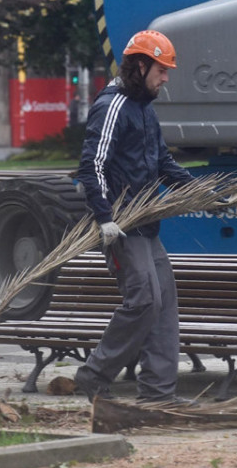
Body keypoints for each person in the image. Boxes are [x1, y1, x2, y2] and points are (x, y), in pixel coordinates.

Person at [73, 30, 198, 407]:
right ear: (141, 66)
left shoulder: (144, 108)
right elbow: (91, 164)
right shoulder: (112, 105)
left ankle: (159, 395)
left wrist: (197, 190)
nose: (166, 78)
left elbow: (162, 162)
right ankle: (93, 376)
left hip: (145, 223)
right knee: (144, 299)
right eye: (162, 70)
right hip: (120, 226)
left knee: (164, 303)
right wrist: (104, 217)